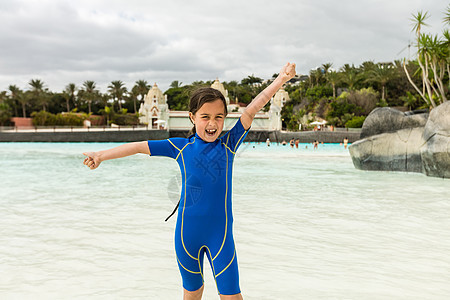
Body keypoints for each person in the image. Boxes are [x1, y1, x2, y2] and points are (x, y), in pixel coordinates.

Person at [83, 63, 296, 300]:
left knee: (232, 297)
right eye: (205, 117)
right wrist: (101, 155)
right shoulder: (179, 147)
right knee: (192, 294)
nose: (212, 124)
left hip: (221, 237)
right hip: (186, 237)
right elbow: (138, 147)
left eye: (219, 117)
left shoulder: (229, 145)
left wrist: (280, 80)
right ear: (192, 117)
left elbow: (252, 110)